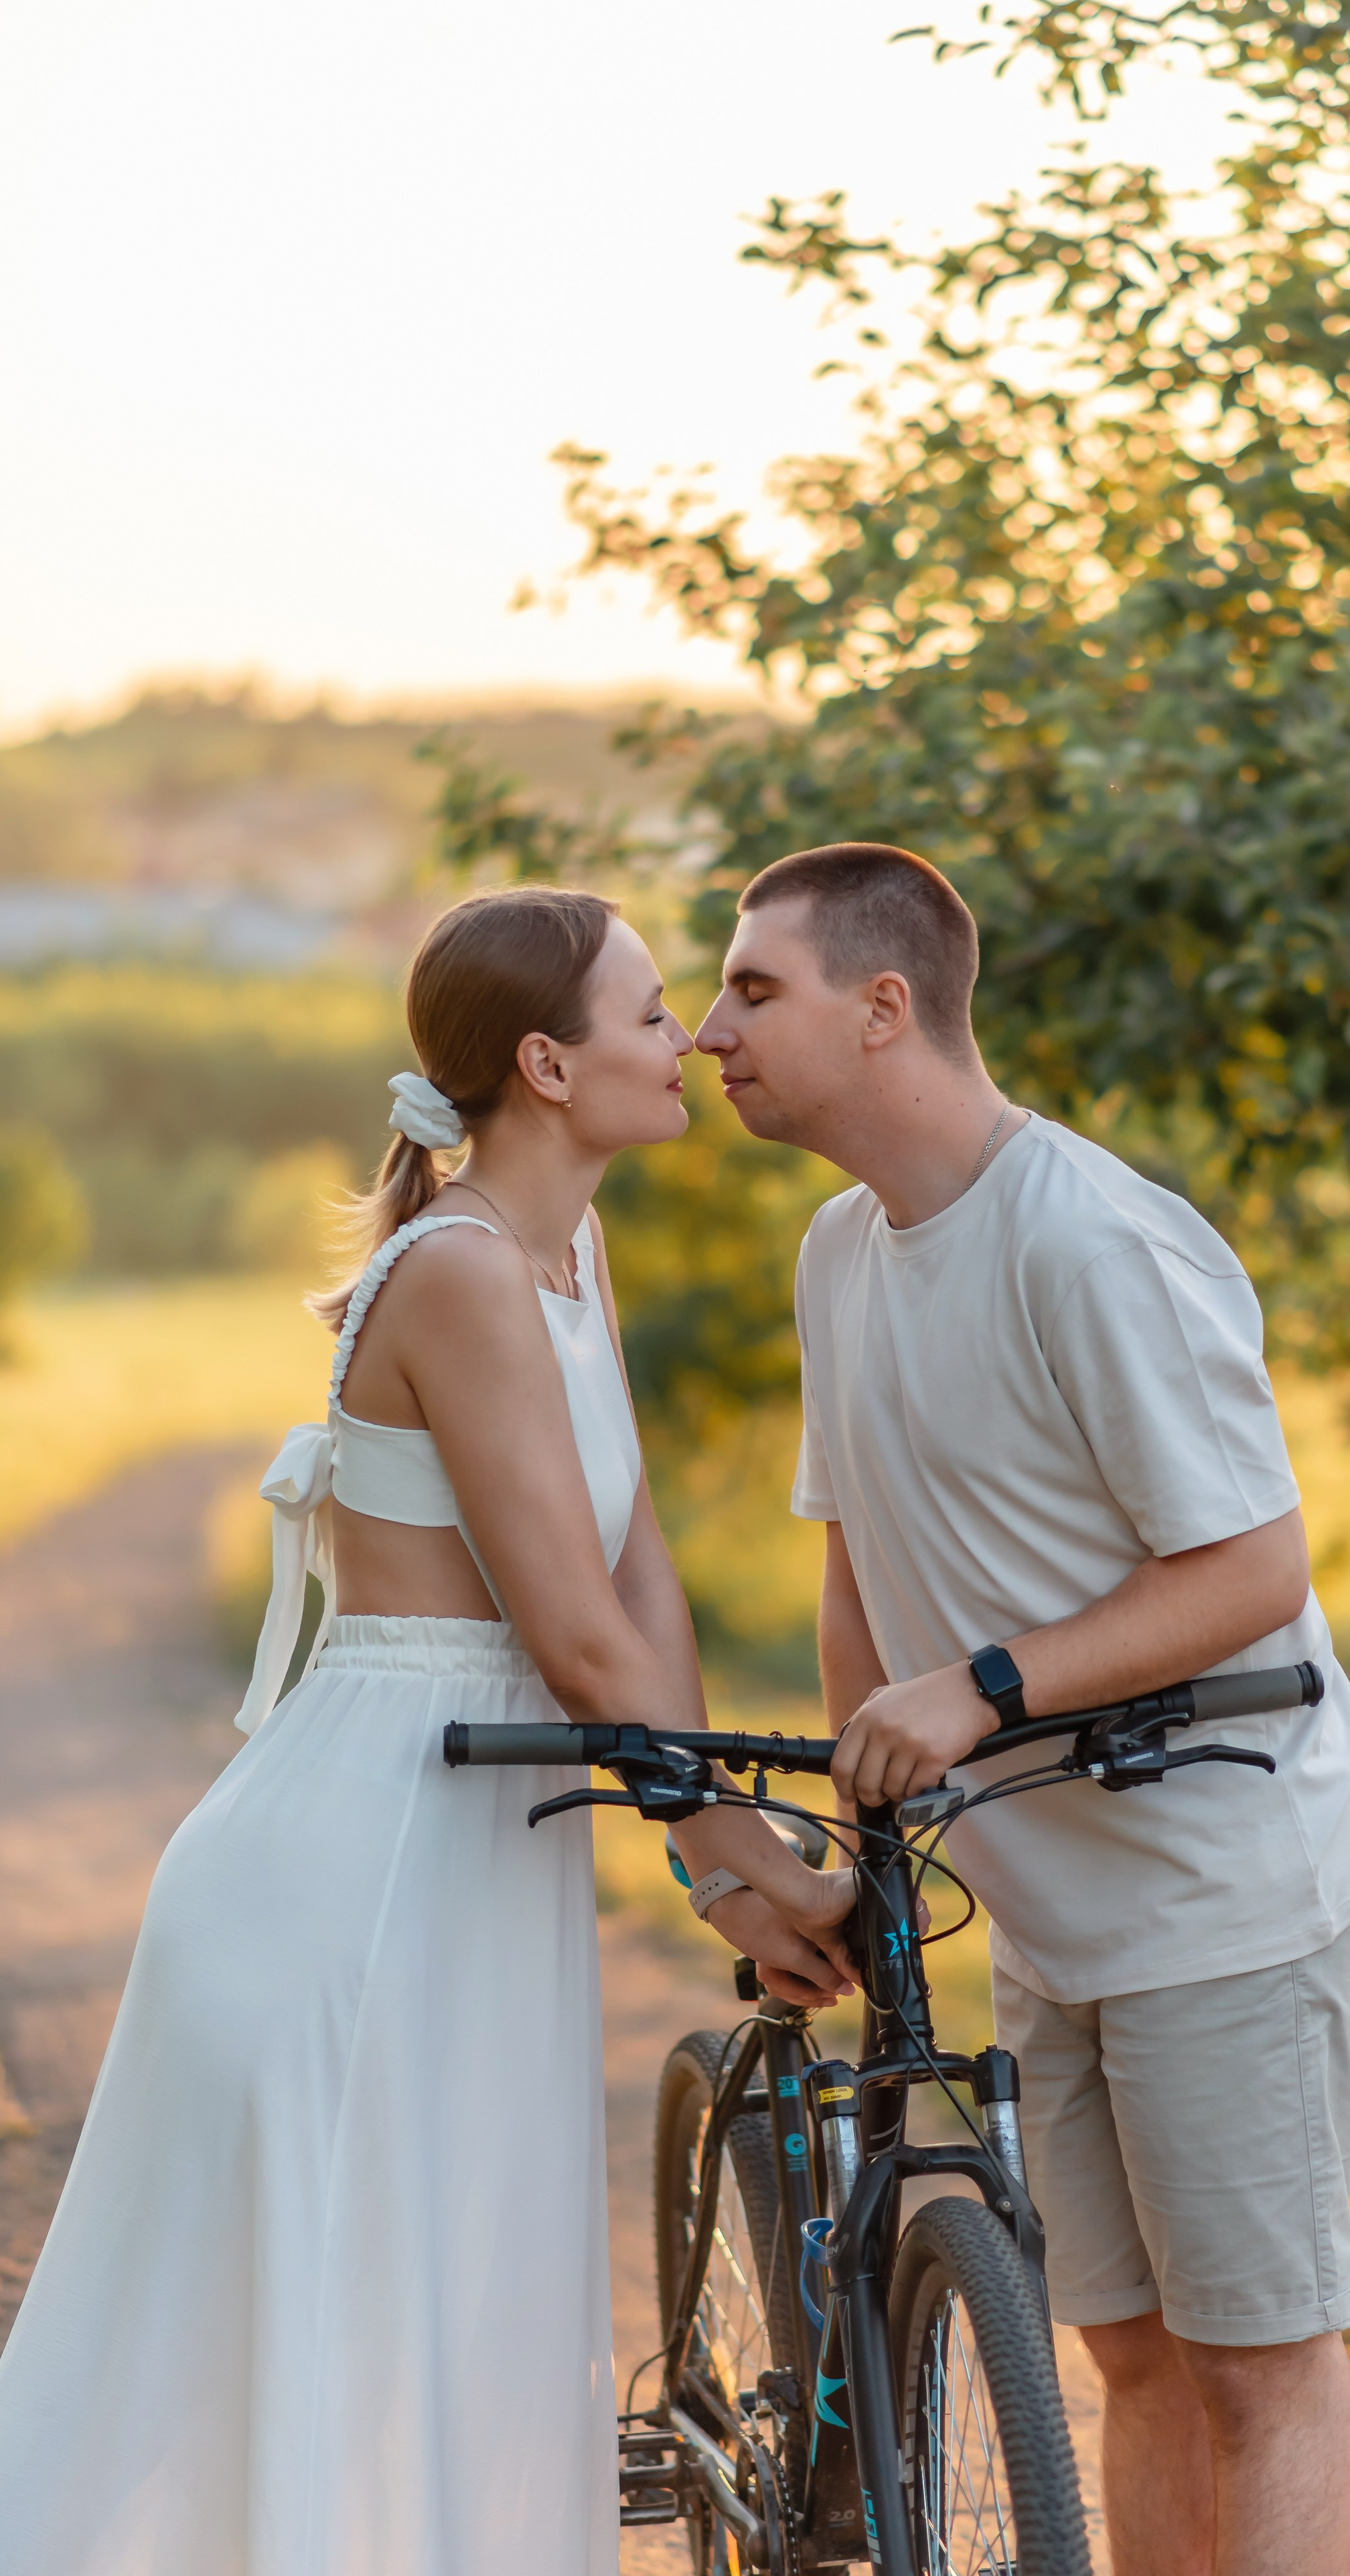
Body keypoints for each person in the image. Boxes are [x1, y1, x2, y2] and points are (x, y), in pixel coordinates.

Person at [0, 884, 853, 2576]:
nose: (681, 1037)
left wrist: (722, 1861)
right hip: (366, 1857)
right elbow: (571, 1632)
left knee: (464, 2309)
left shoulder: (565, 1248)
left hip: (483, 1833)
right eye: (646, 1012)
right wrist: (734, 1858)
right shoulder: (460, 1271)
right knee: (329, 2335)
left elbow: (640, 1577)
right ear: (543, 1062)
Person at [694, 842, 1350, 2576]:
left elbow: (1249, 1568)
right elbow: (860, 1574)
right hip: (1045, 1906)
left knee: (1263, 2364)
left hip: (1223, 1887)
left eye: (750, 989)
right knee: (1136, 2362)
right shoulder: (837, 1249)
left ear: (885, 1009)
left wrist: (988, 1688)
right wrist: (858, 1860)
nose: (709, 1028)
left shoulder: (1088, 1239)